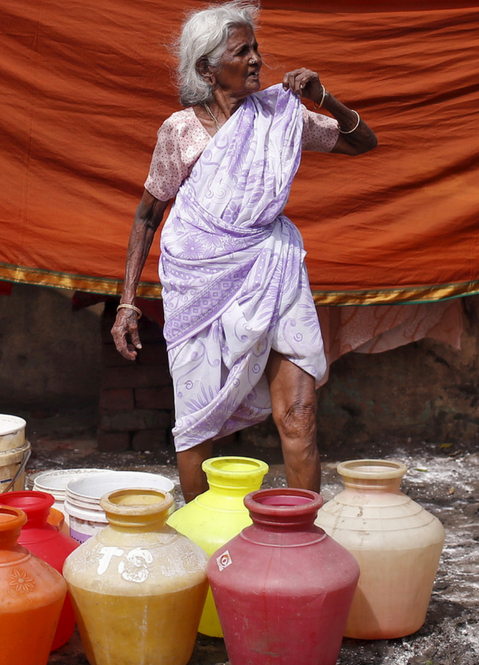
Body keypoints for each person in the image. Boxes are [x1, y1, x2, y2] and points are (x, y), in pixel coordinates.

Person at [110, 1, 377, 501]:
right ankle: (200, 543)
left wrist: (327, 100)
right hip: (199, 286)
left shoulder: (281, 114)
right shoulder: (181, 131)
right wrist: (127, 301)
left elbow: (363, 142)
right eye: (242, 51)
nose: (256, 59)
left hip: (273, 271)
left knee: (299, 416)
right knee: (198, 429)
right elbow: (149, 215)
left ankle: (303, 544)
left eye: (256, 48)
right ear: (207, 69)